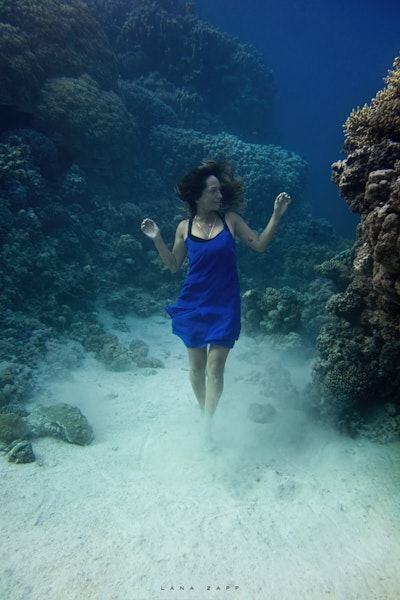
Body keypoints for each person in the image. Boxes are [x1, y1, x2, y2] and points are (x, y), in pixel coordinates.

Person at [141, 159, 290, 446]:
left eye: (220, 190)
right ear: (197, 194)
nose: (219, 195)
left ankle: (207, 428)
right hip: (193, 303)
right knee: (196, 369)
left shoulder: (230, 220)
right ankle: (203, 414)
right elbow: (173, 265)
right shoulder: (184, 227)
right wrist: (157, 238)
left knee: (215, 367)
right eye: (213, 191)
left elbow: (259, 245)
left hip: (225, 306)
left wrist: (277, 216)